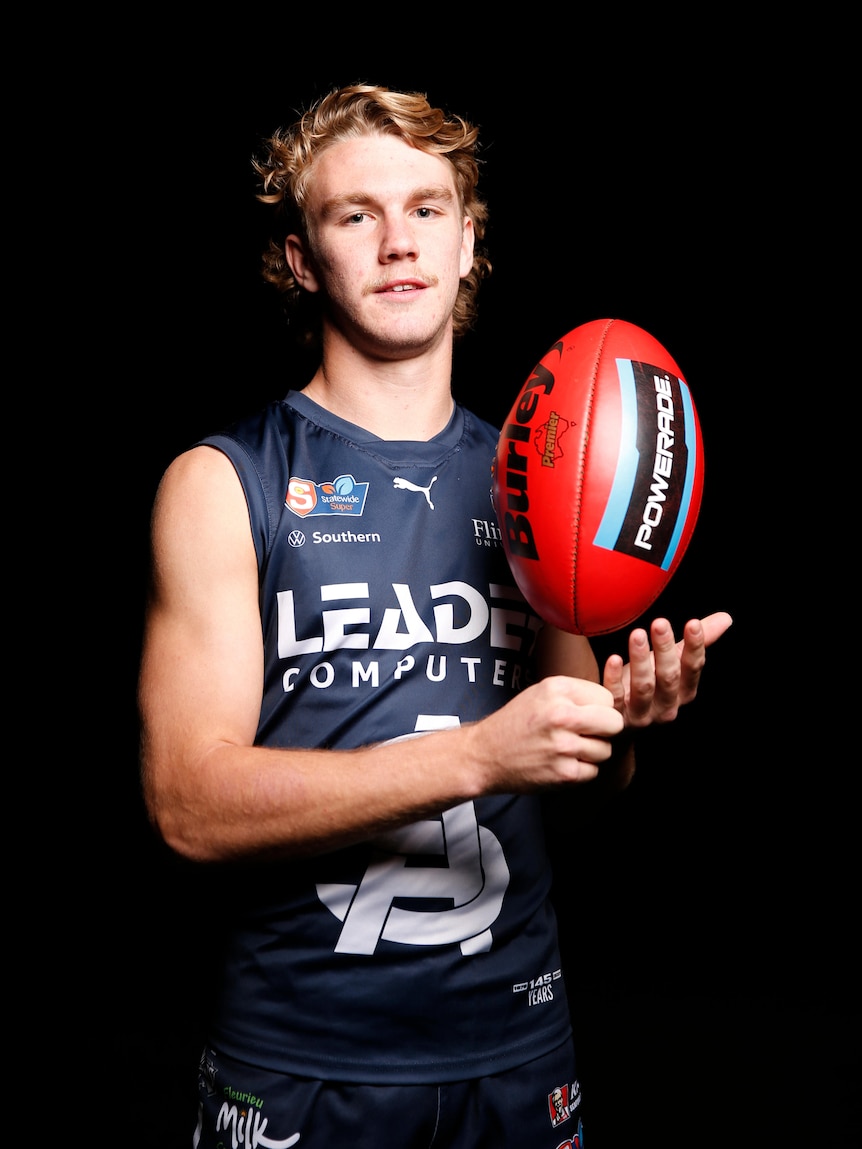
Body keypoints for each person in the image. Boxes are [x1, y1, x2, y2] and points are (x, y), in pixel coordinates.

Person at [138, 83, 732, 1148]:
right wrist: (482, 754)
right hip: (304, 1065)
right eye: (354, 215)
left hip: (516, 1054)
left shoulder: (536, 483)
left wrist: (618, 729)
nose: (396, 241)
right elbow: (189, 805)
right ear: (298, 258)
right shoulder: (224, 483)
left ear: (468, 242)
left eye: (425, 208)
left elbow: (575, 795)